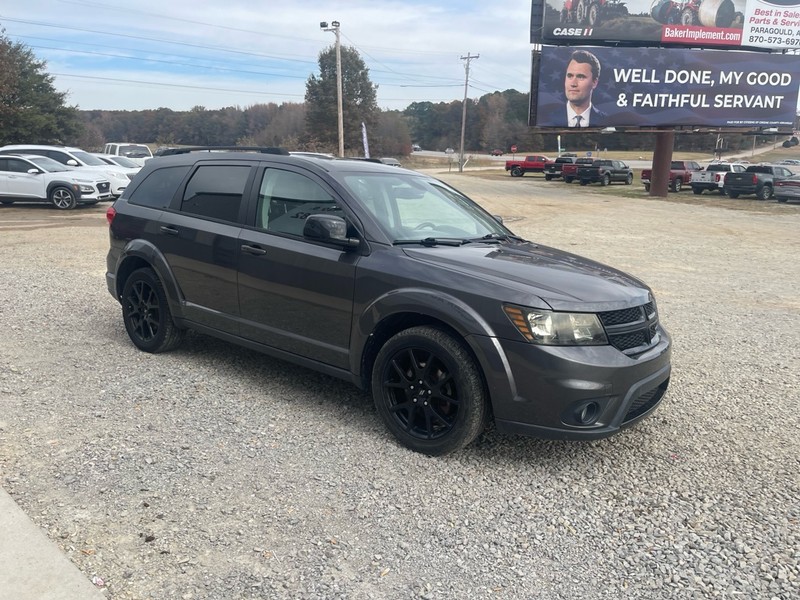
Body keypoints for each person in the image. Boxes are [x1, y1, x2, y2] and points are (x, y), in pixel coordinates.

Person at [564, 50, 605, 128]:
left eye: (581, 77)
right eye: (570, 76)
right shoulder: (547, 118)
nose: (573, 84)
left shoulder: (605, 121)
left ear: (594, 82)